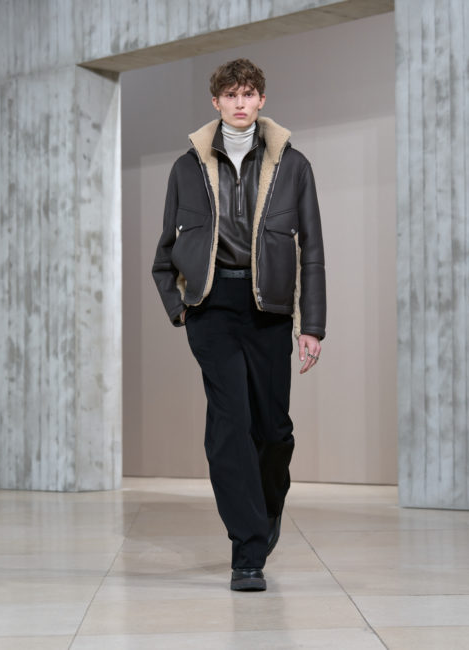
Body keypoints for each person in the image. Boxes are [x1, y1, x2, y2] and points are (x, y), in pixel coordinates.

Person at [152, 58, 326, 591]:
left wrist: (312, 324)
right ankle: (247, 551)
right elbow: (164, 254)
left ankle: (263, 515)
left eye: (248, 93)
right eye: (230, 95)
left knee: (272, 430)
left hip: (268, 307)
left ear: (261, 100)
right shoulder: (187, 167)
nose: (240, 102)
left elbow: (312, 251)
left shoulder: (293, 165)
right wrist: (180, 307)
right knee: (230, 425)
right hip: (212, 307)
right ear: (217, 103)